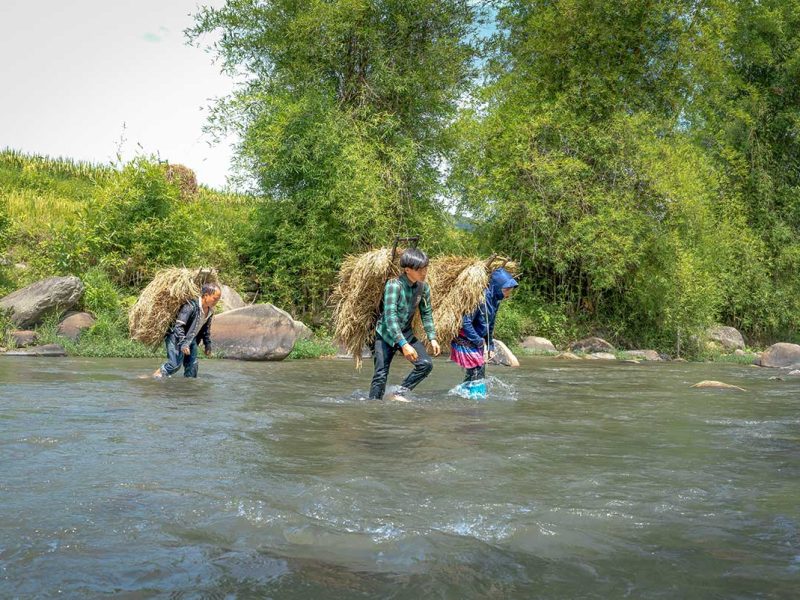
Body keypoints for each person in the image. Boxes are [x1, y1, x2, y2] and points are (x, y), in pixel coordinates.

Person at [369, 248, 441, 400]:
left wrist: (432, 337)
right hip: (386, 335)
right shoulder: (394, 285)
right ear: (407, 270)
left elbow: (426, 313)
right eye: (420, 269)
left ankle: (398, 393)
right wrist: (403, 343)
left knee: (426, 365)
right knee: (380, 375)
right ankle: (373, 408)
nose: (424, 272)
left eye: (425, 268)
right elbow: (390, 317)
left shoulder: (423, 287)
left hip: (406, 332)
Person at [450, 267, 518, 386]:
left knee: (476, 373)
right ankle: (476, 398)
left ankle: (466, 395)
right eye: (507, 290)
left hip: (477, 340)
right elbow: (465, 322)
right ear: (498, 287)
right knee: (478, 369)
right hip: (465, 338)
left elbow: (490, 324)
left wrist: (490, 344)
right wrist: (479, 341)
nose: (508, 293)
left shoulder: (495, 300)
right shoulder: (480, 299)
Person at [152, 283, 221, 379]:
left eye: (218, 299)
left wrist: (207, 345)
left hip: (191, 339)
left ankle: (188, 390)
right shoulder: (190, 306)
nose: (216, 301)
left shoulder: (210, 311)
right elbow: (179, 326)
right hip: (176, 337)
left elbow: (205, 330)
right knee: (174, 365)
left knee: (192, 368)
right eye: (215, 298)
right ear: (206, 296)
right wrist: (184, 343)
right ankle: (155, 377)